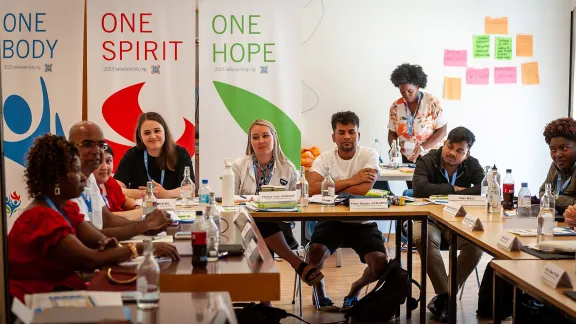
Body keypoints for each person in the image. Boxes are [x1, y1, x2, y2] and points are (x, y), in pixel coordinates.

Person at [7, 135, 179, 301]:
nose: (82, 177)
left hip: (61, 290)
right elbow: (90, 259)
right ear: (57, 179)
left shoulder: (65, 207)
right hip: (38, 301)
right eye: (75, 171)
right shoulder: (41, 217)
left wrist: (110, 244)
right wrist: (147, 247)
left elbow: (100, 239)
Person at [306, 111, 387, 312]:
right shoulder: (324, 157)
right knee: (314, 255)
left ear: (358, 135)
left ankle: (354, 290)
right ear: (333, 137)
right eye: (341, 132)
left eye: (351, 131)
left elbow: (364, 190)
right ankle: (321, 294)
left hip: (363, 221)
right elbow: (311, 188)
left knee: (380, 263)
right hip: (330, 220)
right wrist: (353, 179)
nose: (347, 136)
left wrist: (331, 186)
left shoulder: (369, 155)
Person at [233, 119, 323, 287]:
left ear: (274, 138)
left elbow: (293, 202)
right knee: (258, 225)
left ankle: (264, 304)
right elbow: (232, 199)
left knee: (263, 228)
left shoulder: (288, 168)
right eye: (255, 137)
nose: (260, 141)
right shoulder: (238, 166)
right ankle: (297, 263)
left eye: (265, 136)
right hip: (244, 226)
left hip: (279, 225)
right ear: (250, 141)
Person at [412, 126, 484, 323]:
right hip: (428, 219)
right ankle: (446, 296)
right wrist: (454, 189)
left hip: (458, 219)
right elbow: (419, 188)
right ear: (444, 143)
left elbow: (483, 189)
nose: (452, 153)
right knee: (422, 237)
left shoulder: (473, 165)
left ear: (467, 153)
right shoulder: (427, 160)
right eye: (450, 147)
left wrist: (445, 193)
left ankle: (444, 299)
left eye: (460, 151)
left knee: (476, 244)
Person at [68, 121, 172, 241]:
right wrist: (144, 226)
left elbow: (108, 220)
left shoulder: (90, 177)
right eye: (87, 144)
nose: (96, 151)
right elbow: (91, 237)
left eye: (101, 145)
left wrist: (147, 226)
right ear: (71, 147)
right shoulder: (67, 184)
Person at [388, 63, 448, 189]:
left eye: (410, 91)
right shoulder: (395, 106)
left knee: (431, 190)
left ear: (418, 86)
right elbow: (392, 133)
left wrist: (422, 148)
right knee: (413, 190)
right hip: (408, 157)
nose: (406, 95)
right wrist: (395, 150)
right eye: (402, 91)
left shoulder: (432, 102)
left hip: (431, 156)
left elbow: (442, 131)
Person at [114, 112, 194, 199]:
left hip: (173, 207)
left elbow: (190, 189)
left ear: (165, 132)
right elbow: (115, 186)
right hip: (141, 208)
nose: (152, 136)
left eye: (157, 131)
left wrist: (166, 194)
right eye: (147, 133)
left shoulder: (180, 153)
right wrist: (133, 193)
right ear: (140, 137)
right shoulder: (132, 155)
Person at [94, 146, 142, 220]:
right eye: (98, 161)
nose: (104, 167)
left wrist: (136, 207)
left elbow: (125, 200)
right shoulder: (87, 188)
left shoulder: (109, 181)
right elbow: (105, 219)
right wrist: (139, 213)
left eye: (108, 161)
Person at [540, 117, 576, 214]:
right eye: (553, 150)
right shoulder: (555, 165)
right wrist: (562, 200)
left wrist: (554, 198)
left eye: (564, 148)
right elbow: (542, 193)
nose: (557, 155)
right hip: (560, 222)